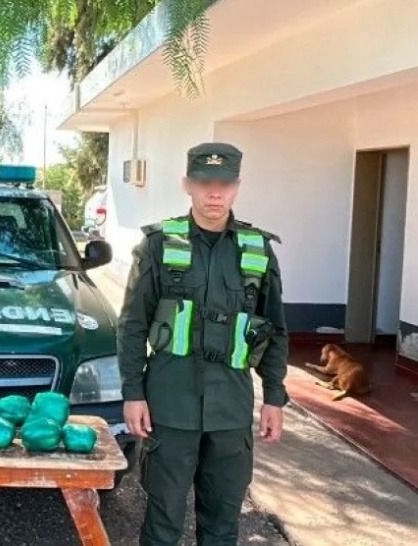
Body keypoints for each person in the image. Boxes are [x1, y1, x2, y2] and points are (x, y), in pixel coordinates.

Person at [117, 142, 289, 546]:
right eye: (204, 182)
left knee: (222, 523)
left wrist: (275, 398)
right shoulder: (158, 246)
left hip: (230, 409)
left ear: (237, 186)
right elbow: (132, 324)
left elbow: (276, 329)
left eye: (225, 183)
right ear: (187, 185)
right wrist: (132, 392)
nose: (215, 192)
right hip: (169, 406)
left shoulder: (257, 250)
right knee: (162, 522)